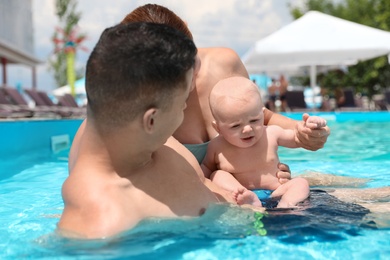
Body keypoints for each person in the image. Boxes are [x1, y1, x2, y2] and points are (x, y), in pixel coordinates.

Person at [58, 22, 233, 239]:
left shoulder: (157, 148)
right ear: (151, 120)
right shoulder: (102, 225)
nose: (185, 111)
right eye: (183, 104)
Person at [201, 77, 327, 208]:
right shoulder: (216, 146)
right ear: (218, 128)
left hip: (276, 192)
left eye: (254, 120)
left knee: (301, 183)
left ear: (262, 114)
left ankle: (286, 205)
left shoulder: (271, 133)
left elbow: (297, 138)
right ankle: (248, 200)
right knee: (217, 175)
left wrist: (310, 126)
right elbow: (205, 170)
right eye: (235, 126)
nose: (248, 129)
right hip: (243, 193)